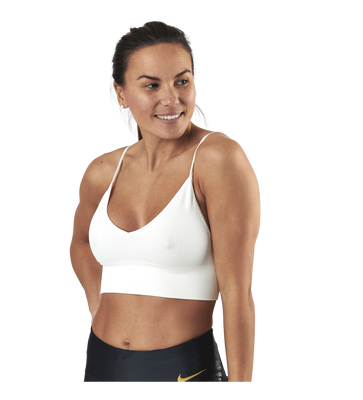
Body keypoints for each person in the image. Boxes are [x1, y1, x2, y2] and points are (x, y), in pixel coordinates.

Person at [68, 18, 262, 385]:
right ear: (121, 94)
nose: (171, 99)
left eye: (182, 81)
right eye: (152, 85)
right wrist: (98, 303)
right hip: (102, 364)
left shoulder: (218, 159)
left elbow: (238, 295)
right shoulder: (102, 169)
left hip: (181, 369)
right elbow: (79, 242)